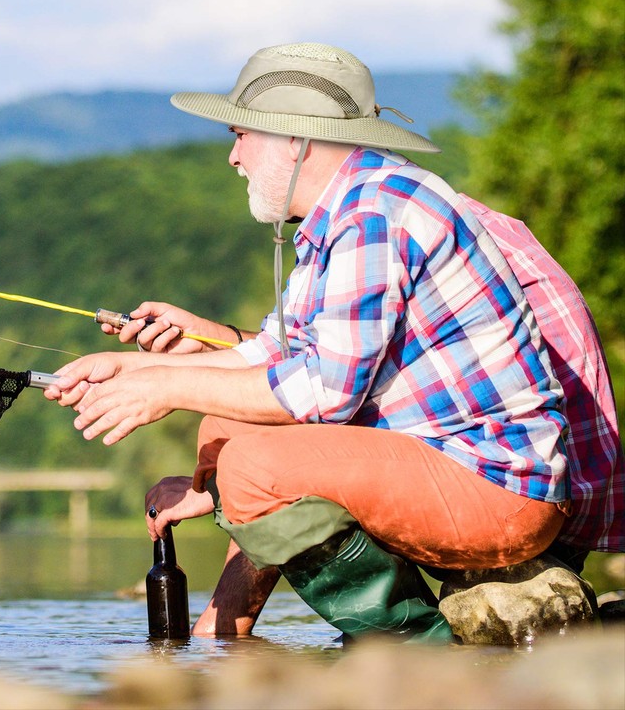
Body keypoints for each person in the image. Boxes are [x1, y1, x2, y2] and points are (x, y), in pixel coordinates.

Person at [45, 43, 606, 643]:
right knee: (227, 431)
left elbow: (325, 392)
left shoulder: (371, 215)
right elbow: (275, 353)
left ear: (293, 138)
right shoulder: (345, 211)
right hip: (449, 464)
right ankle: (220, 633)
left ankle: (419, 647)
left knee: (253, 466)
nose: (233, 157)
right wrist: (128, 369)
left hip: (497, 486)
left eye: (240, 136)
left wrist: (167, 391)